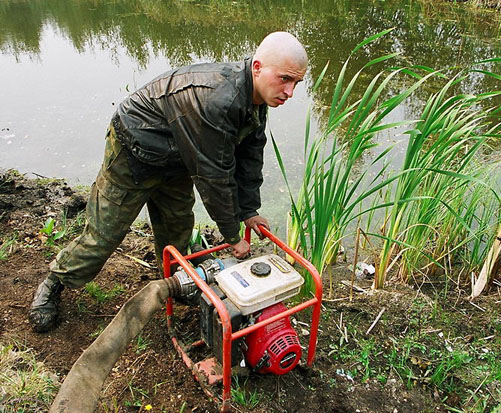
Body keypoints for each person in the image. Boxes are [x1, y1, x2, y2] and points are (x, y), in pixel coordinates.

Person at [29, 32, 308, 333]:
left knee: (177, 229)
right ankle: (53, 284)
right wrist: (232, 236)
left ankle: (176, 284)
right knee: (104, 235)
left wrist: (249, 210)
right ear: (257, 67)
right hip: (134, 152)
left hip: (178, 157)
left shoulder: (256, 99)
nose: (290, 92)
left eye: (297, 83)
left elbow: (249, 155)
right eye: (285, 79)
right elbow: (214, 176)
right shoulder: (219, 99)